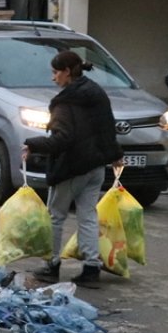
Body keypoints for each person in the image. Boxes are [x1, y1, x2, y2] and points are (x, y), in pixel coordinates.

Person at [24, 50, 124, 286]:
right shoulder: (97, 93)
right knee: (88, 216)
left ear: (67, 72)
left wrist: (32, 144)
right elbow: (107, 126)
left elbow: (63, 140)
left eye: (55, 72)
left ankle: (52, 265)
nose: (53, 78)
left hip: (71, 167)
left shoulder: (64, 104)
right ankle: (91, 268)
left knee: (55, 217)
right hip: (96, 165)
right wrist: (115, 155)